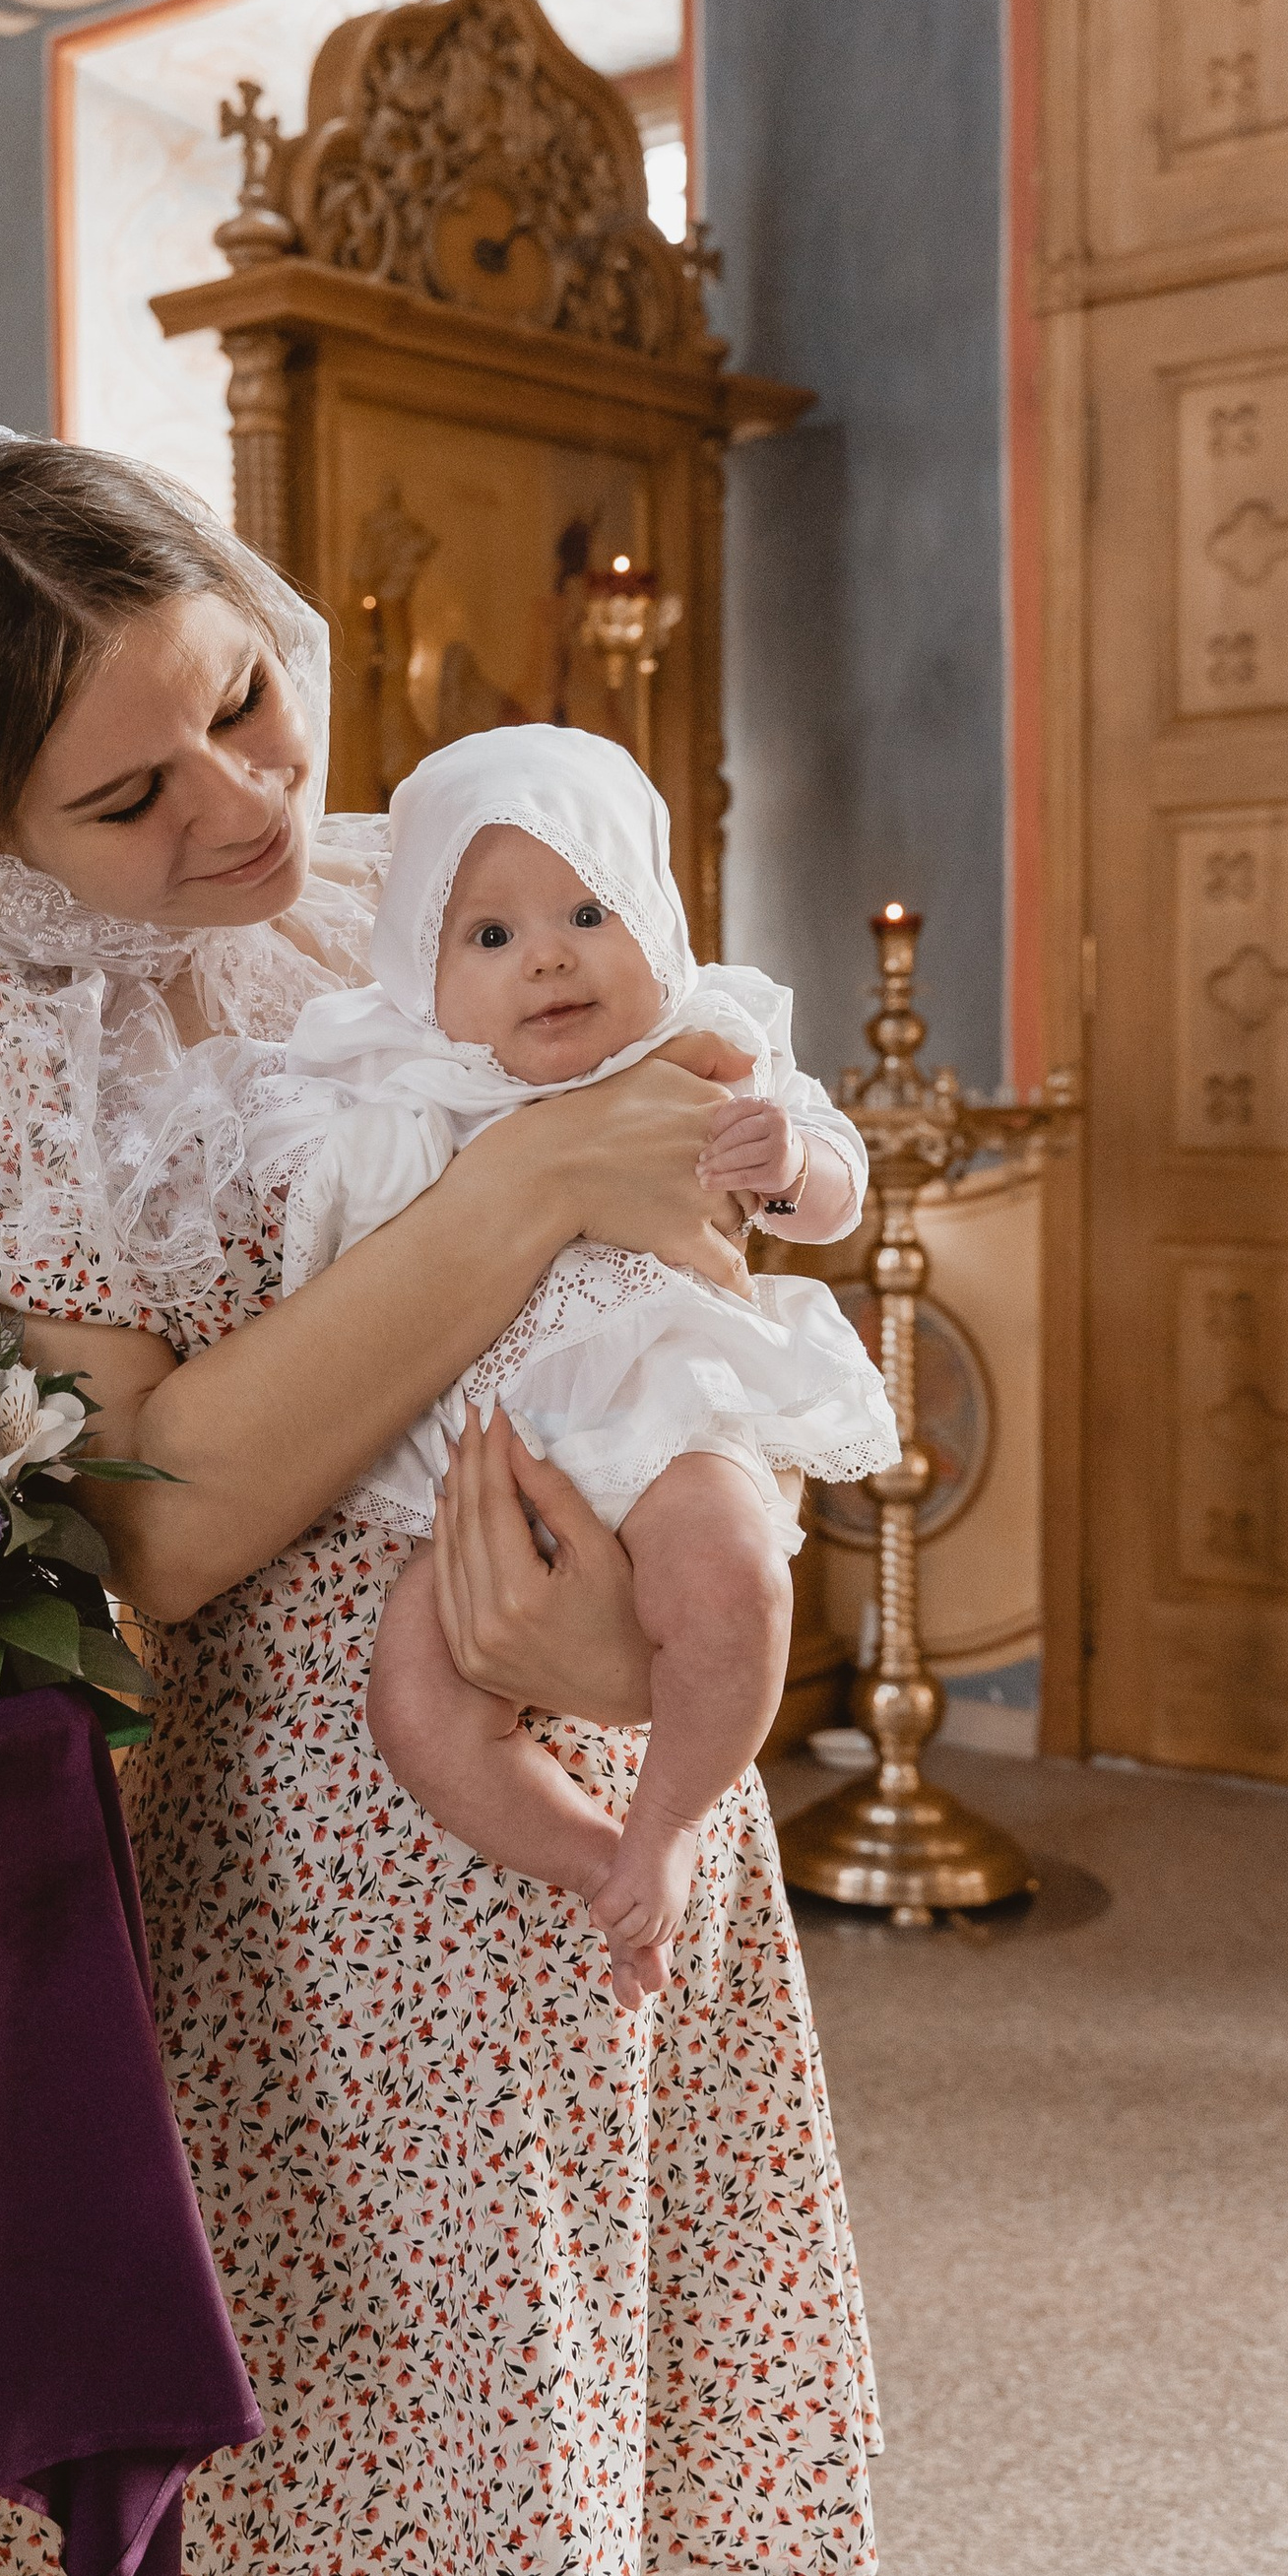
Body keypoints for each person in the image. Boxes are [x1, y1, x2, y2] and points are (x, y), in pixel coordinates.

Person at [0, 427, 876, 2576]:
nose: (247, 811)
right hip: (269, 1889)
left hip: (577, 1843)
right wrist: (518, 1203)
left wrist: (643, 1611)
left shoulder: (424, 884)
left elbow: (712, 1306)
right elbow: (147, 1529)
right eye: (133, 794)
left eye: (248, 712)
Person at [246, 726, 895, 2010]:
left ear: (653, 917)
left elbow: (835, 1187)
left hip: (659, 1408)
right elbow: (317, 1232)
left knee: (736, 1585)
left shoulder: (707, 1044)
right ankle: (601, 1858)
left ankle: (668, 1820)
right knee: (416, 1698)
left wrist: (788, 1162)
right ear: (420, 969)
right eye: (487, 936)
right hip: (481, 1456)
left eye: (587, 911)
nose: (544, 955)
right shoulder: (404, 1080)